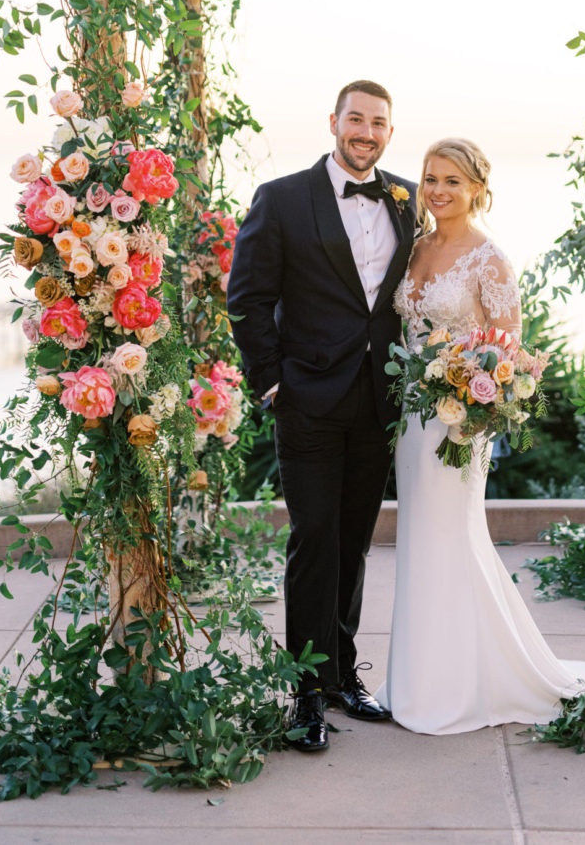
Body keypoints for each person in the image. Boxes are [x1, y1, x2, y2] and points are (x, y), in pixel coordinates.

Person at [377, 137, 585, 734]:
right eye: (430, 179)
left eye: (451, 181)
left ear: (476, 188)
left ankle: (458, 687)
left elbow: (508, 353)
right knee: (420, 541)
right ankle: (417, 680)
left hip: (457, 425)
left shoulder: (489, 259)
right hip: (411, 420)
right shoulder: (415, 248)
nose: (438, 191)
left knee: (450, 538)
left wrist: (471, 401)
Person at [227, 80, 417, 753]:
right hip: (305, 399)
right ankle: (305, 693)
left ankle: (341, 675)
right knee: (313, 541)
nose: (366, 132)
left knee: (354, 543)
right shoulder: (281, 199)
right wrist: (271, 382)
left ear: (390, 133)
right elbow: (247, 297)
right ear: (334, 122)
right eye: (356, 119)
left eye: (379, 123)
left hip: (377, 399)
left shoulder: (407, 199)